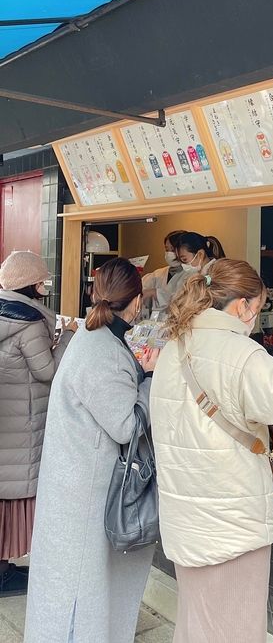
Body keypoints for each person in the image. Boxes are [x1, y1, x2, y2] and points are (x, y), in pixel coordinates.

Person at [150, 259, 273, 643]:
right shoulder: (240, 353)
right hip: (230, 520)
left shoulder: (176, 343)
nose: (255, 317)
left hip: (185, 515)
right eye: (257, 308)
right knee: (234, 629)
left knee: (197, 625)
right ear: (242, 305)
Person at [25, 258, 159, 643]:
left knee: (70, 580)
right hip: (85, 485)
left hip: (73, 475)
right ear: (134, 302)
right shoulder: (103, 349)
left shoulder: (91, 335)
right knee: (81, 586)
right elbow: (127, 425)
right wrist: (150, 380)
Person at [0, 251, 76, 597]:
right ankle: (3, 575)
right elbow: (48, 372)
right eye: (42, 280)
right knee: (12, 499)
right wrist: (69, 337)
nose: (45, 285)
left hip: (6, 420)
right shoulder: (29, 322)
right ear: (32, 284)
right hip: (22, 424)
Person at [166, 231, 226, 299]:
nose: (183, 265)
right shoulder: (199, 273)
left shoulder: (214, 274)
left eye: (184, 260)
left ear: (200, 254)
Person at [142, 229, 185, 315]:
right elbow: (142, 286)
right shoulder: (158, 273)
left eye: (172, 250)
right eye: (166, 249)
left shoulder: (191, 274)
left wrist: (155, 293)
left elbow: (181, 299)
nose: (169, 253)